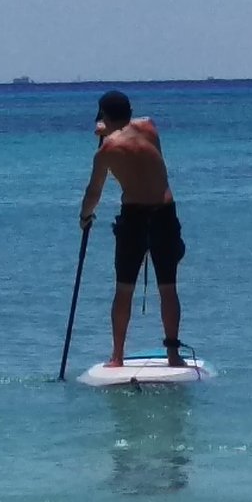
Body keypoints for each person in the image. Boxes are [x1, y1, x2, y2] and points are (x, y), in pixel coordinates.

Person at [79, 90, 187, 368]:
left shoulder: (107, 150)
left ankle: (117, 357)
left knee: (124, 289)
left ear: (104, 116)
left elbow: (94, 191)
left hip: (135, 217)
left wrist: (85, 217)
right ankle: (173, 355)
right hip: (165, 212)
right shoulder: (149, 126)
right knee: (168, 288)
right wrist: (109, 127)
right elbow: (133, 126)